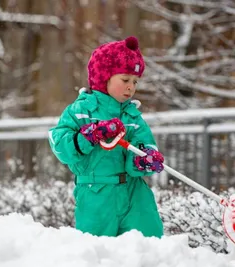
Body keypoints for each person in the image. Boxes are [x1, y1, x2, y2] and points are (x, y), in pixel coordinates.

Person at [48, 36, 165, 238]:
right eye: (125, 80)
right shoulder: (81, 111)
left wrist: (145, 159)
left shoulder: (133, 116)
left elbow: (144, 143)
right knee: (98, 248)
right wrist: (88, 136)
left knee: (148, 241)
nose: (131, 87)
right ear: (104, 77)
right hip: (96, 193)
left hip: (134, 193)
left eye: (135, 81)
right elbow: (60, 145)